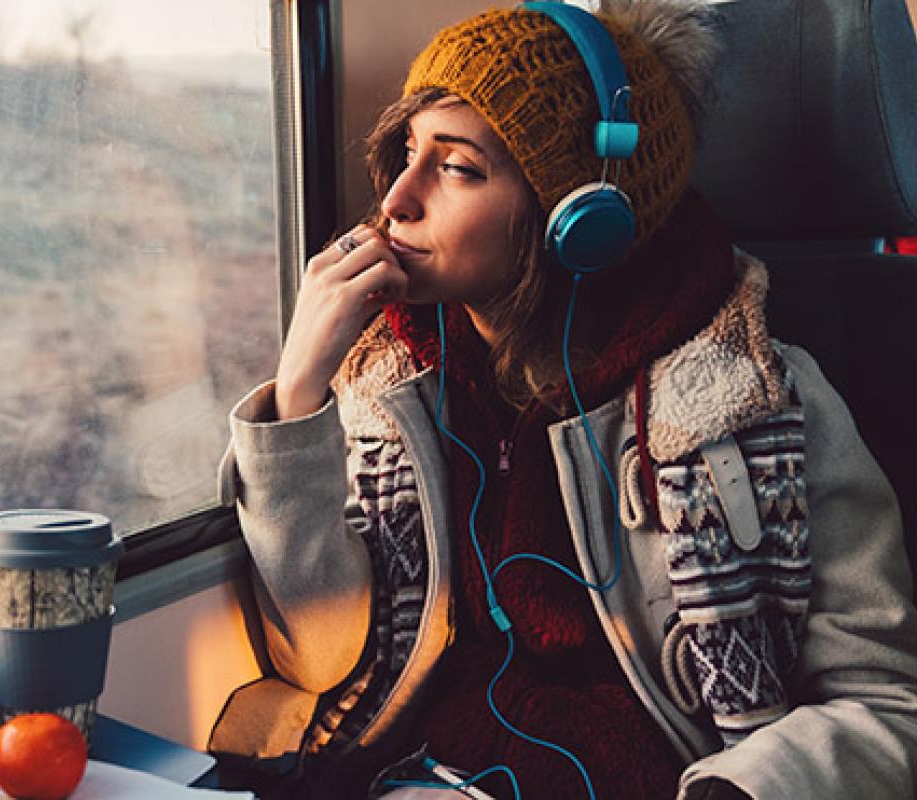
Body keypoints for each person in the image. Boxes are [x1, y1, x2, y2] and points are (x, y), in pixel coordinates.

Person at [219, 1, 917, 798]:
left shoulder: (759, 403)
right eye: (407, 152)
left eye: (456, 167)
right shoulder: (389, 394)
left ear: (582, 216)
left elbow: (887, 707)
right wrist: (300, 391)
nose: (396, 200)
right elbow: (320, 659)